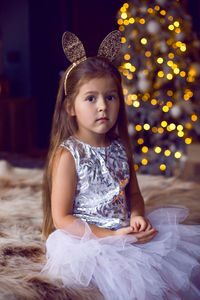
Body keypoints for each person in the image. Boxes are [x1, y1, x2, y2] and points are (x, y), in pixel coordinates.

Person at [41, 31, 200, 299]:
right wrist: (111, 237)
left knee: (170, 274)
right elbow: (62, 218)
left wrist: (137, 216)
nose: (102, 106)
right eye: (90, 98)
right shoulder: (69, 154)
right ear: (70, 107)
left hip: (124, 231)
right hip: (89, 241)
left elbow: (133, 195)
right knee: (131, 284)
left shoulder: (119, 148)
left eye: (111, 97)